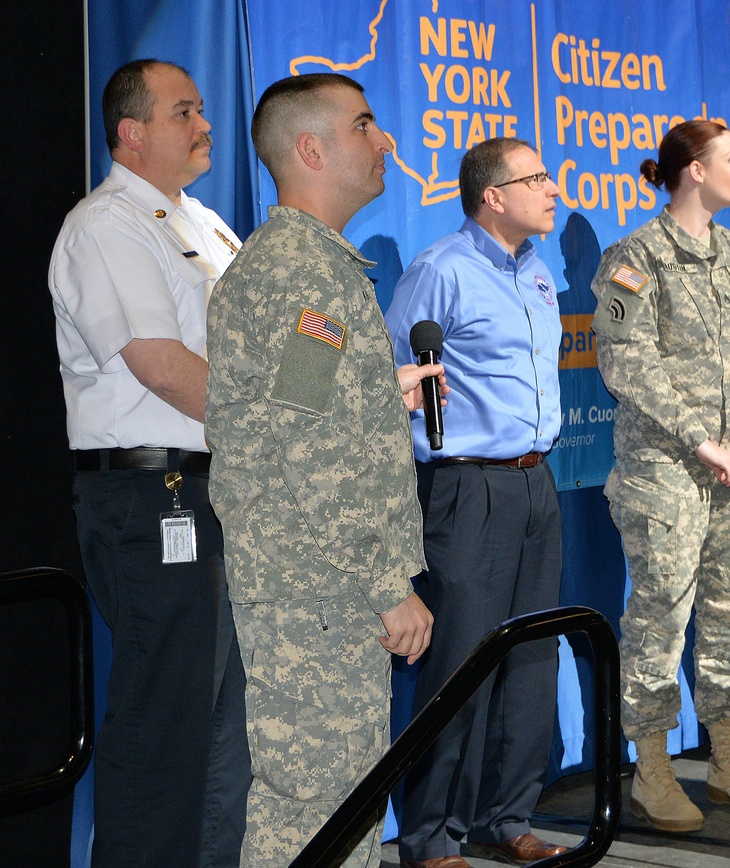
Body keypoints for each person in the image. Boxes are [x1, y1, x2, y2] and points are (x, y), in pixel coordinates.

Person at [204, 73, 438, 868]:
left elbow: (301, 417)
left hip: (319, 590)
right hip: (321, 595)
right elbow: (308, 449)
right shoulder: (304, 277)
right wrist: (386, 583)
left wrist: (378, 397)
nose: (386, 142)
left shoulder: (317, 270)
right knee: (313, 810)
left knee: (341, 803)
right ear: (310, 149)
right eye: (366, 125)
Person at [47, 59, 250, 865]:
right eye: (183, 111)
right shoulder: (107, 225)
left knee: (227, 725)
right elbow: (160, 363)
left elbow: (259, 356)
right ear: (131, 133)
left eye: (202, 109)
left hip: (220, 487)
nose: (204, 124)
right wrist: (277, 435)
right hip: (151, 494)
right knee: (164, 725)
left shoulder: (206, 224)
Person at [590, 120, 730, 832]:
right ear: (695, 170)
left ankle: (729, 760)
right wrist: (698, 439)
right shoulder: (635, 257)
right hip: (667, 474)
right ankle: (651, 769)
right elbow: (625, 362)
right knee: (660, 619)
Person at [384, 137, 567, 868]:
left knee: (530, 658)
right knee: (461, 661)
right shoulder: (439, 271)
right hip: (466, 487)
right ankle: (431, 836)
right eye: (537, 179)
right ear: (493, 196)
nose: (553, 189)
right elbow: (390, 379)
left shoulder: (537, 270)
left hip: (535, 483)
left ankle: (507, 816)